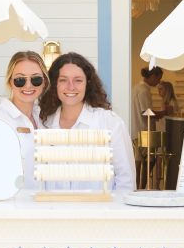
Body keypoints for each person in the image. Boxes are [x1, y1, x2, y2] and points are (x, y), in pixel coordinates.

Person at [38, 52, 135, 191]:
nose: (71, 87)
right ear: (54, 85)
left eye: (78, 80)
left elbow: (126, 178)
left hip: (99, 211)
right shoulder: (44, 124)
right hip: (54, 210)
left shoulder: (110, 123)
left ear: (88, 84)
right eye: (63, 80)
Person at [0, 51, 49, 190]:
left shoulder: (45, 118)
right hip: (12, 207)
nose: (28, 86)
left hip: (43, 204)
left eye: (35, 79)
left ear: (44, 82)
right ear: (10, 83)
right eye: (20, 80)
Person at [131, 66, 173, 139]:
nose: (159, 81)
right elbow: (147, 113)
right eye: (158, 79)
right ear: (153, 76)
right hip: (142, 134)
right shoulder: (143, 90)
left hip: (134, 132)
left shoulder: (136, 88)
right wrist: (164, 112)